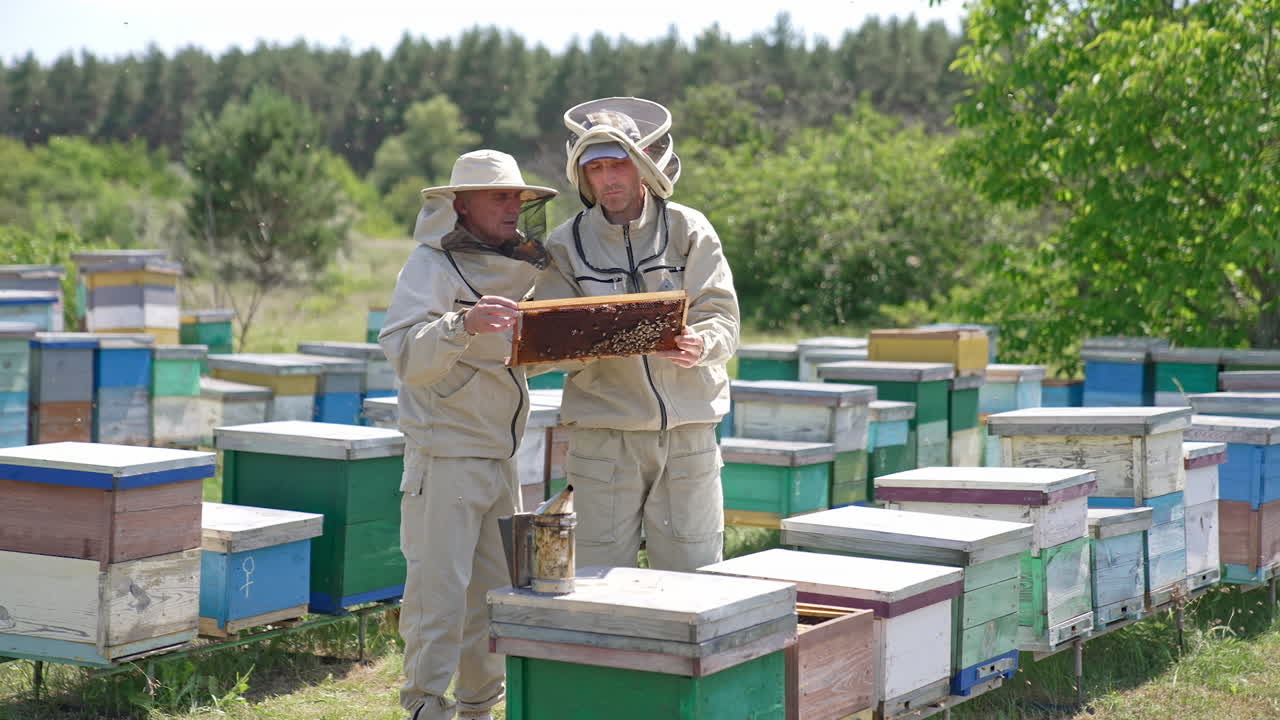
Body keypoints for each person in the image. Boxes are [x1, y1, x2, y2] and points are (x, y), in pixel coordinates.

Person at [379, 149, 557, 720]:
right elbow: (404, 353)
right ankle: (425, 707)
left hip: (502, 458)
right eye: (499, 196)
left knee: (492, 598)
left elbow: (516, 356)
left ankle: (480, 707)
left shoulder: (519, 268)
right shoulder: (428, 267)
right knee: (439, 599)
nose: (513, 207)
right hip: (446, 454)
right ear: (462, 205)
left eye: (517, 197)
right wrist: (461, 324)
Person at [534, 97, 740, 572]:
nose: (608, 179)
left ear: (643, 164)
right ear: (583, 176)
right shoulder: (565, 244)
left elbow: (723, 317)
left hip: (687, 433)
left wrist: (701, 344)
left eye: (618, 165)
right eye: (596, 168)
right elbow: (548, 341)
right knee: (596, 582)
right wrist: (582, 341)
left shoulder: (689, 228)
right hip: (605, 437)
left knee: (694, 578)